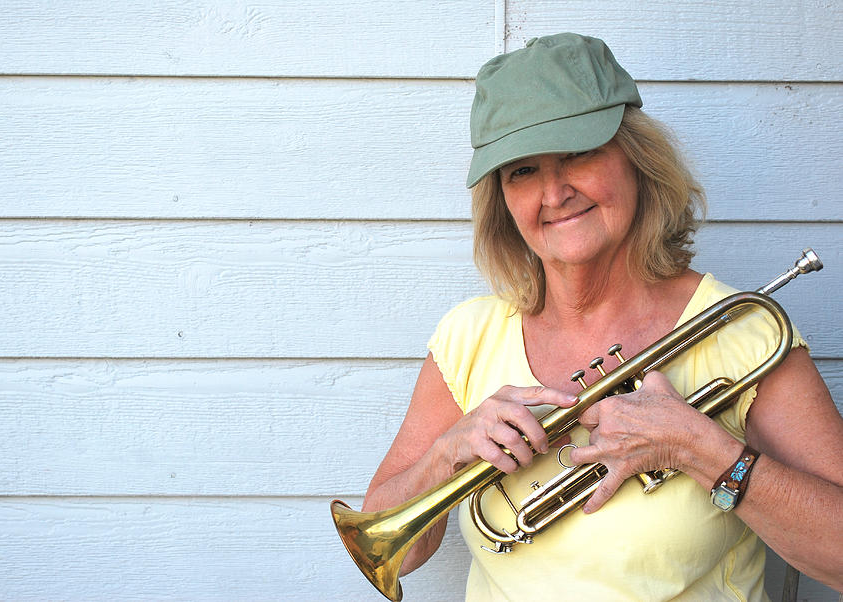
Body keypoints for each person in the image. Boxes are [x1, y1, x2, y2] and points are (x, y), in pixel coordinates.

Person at [360, 33, 843, 600]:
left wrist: (701, 450)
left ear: (637, 160)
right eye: (522, 171)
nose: (555, 192)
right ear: (501, 200)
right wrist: (448, 452)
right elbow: (396, 547)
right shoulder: (470, 335)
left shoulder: (742, 331)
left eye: (579, 153)